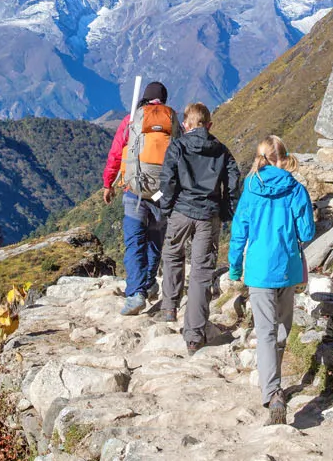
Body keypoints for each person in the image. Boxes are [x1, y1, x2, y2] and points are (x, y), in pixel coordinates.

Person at [227, 135, 315, 426]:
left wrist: (234, 267)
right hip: (287, 268)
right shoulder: (296, 189)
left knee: (265, 331)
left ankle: (273, 393)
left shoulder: (251, 188)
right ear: (283, 158)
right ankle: (273, 384)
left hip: (259, 271)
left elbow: (239, 230)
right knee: (281, 331)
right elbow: (307, 233)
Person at [157, 103, 242, 351]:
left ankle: (169, 307)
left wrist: (167, 208)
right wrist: (226, 211)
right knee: (201, 272)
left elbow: (168, 180)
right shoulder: (221, 150)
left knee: (172, 254)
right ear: (209, 125)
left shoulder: (178, 146)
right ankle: (194, 336)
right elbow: (233, 182)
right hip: (208, 215)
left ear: (186, 124)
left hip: (181, 211)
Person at [102, 81, 181, 315]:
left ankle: (136, 293)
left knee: (134, 243)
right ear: (164, 100)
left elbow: (116, 154)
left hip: (134, 190)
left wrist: (108, 184)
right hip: (162, 193)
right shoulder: (172, 121)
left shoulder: (131, 120)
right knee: (155, 241)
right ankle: (147, 283)